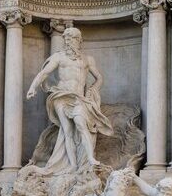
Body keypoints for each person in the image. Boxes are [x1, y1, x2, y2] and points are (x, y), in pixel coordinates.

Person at [26, 27, 113, 173]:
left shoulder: (87, 59)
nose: (68, 42)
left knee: (81, 124)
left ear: (79, 40)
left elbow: (99, 78)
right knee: (67, 131)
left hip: (79, 97)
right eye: (66, 39)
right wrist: (32, 87)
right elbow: (44, 73)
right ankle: (73, 165)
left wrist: (93, 89)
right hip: (61, 96)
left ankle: (90, 158)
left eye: (71, 38)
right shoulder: (59, 57)